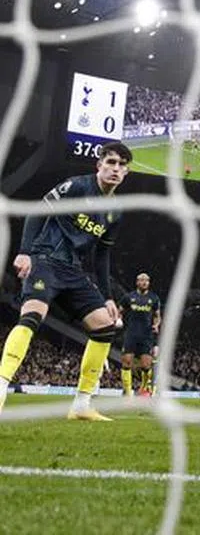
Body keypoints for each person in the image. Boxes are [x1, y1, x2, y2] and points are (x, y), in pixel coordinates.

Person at [0, 142, 133, 420]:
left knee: (105, 327)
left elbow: (102, 256)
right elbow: (37, 212)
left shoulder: (116, 213)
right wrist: (26, 252)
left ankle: (82, 404)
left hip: (74, 272)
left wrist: (108, 296)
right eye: (110, 162)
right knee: (32, 317)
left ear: (126, 172)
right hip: (46, 260)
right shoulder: (76, 187)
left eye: (121, 165)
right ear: (99, 165)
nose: (115, 169)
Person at [119, 272, 162, 397]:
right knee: (126, 362)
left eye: (146, 280)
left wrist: (156, 325)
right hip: (131, 334)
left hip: (146, 335)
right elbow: (119, 310)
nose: (144, 282)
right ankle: (127, 392)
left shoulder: (154, 298)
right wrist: (119, 319)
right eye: (142, 280)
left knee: (146, 365)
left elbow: (157, 316)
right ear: (137, 282)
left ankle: (144, 389)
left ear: (149, 283)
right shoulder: (128, 297)